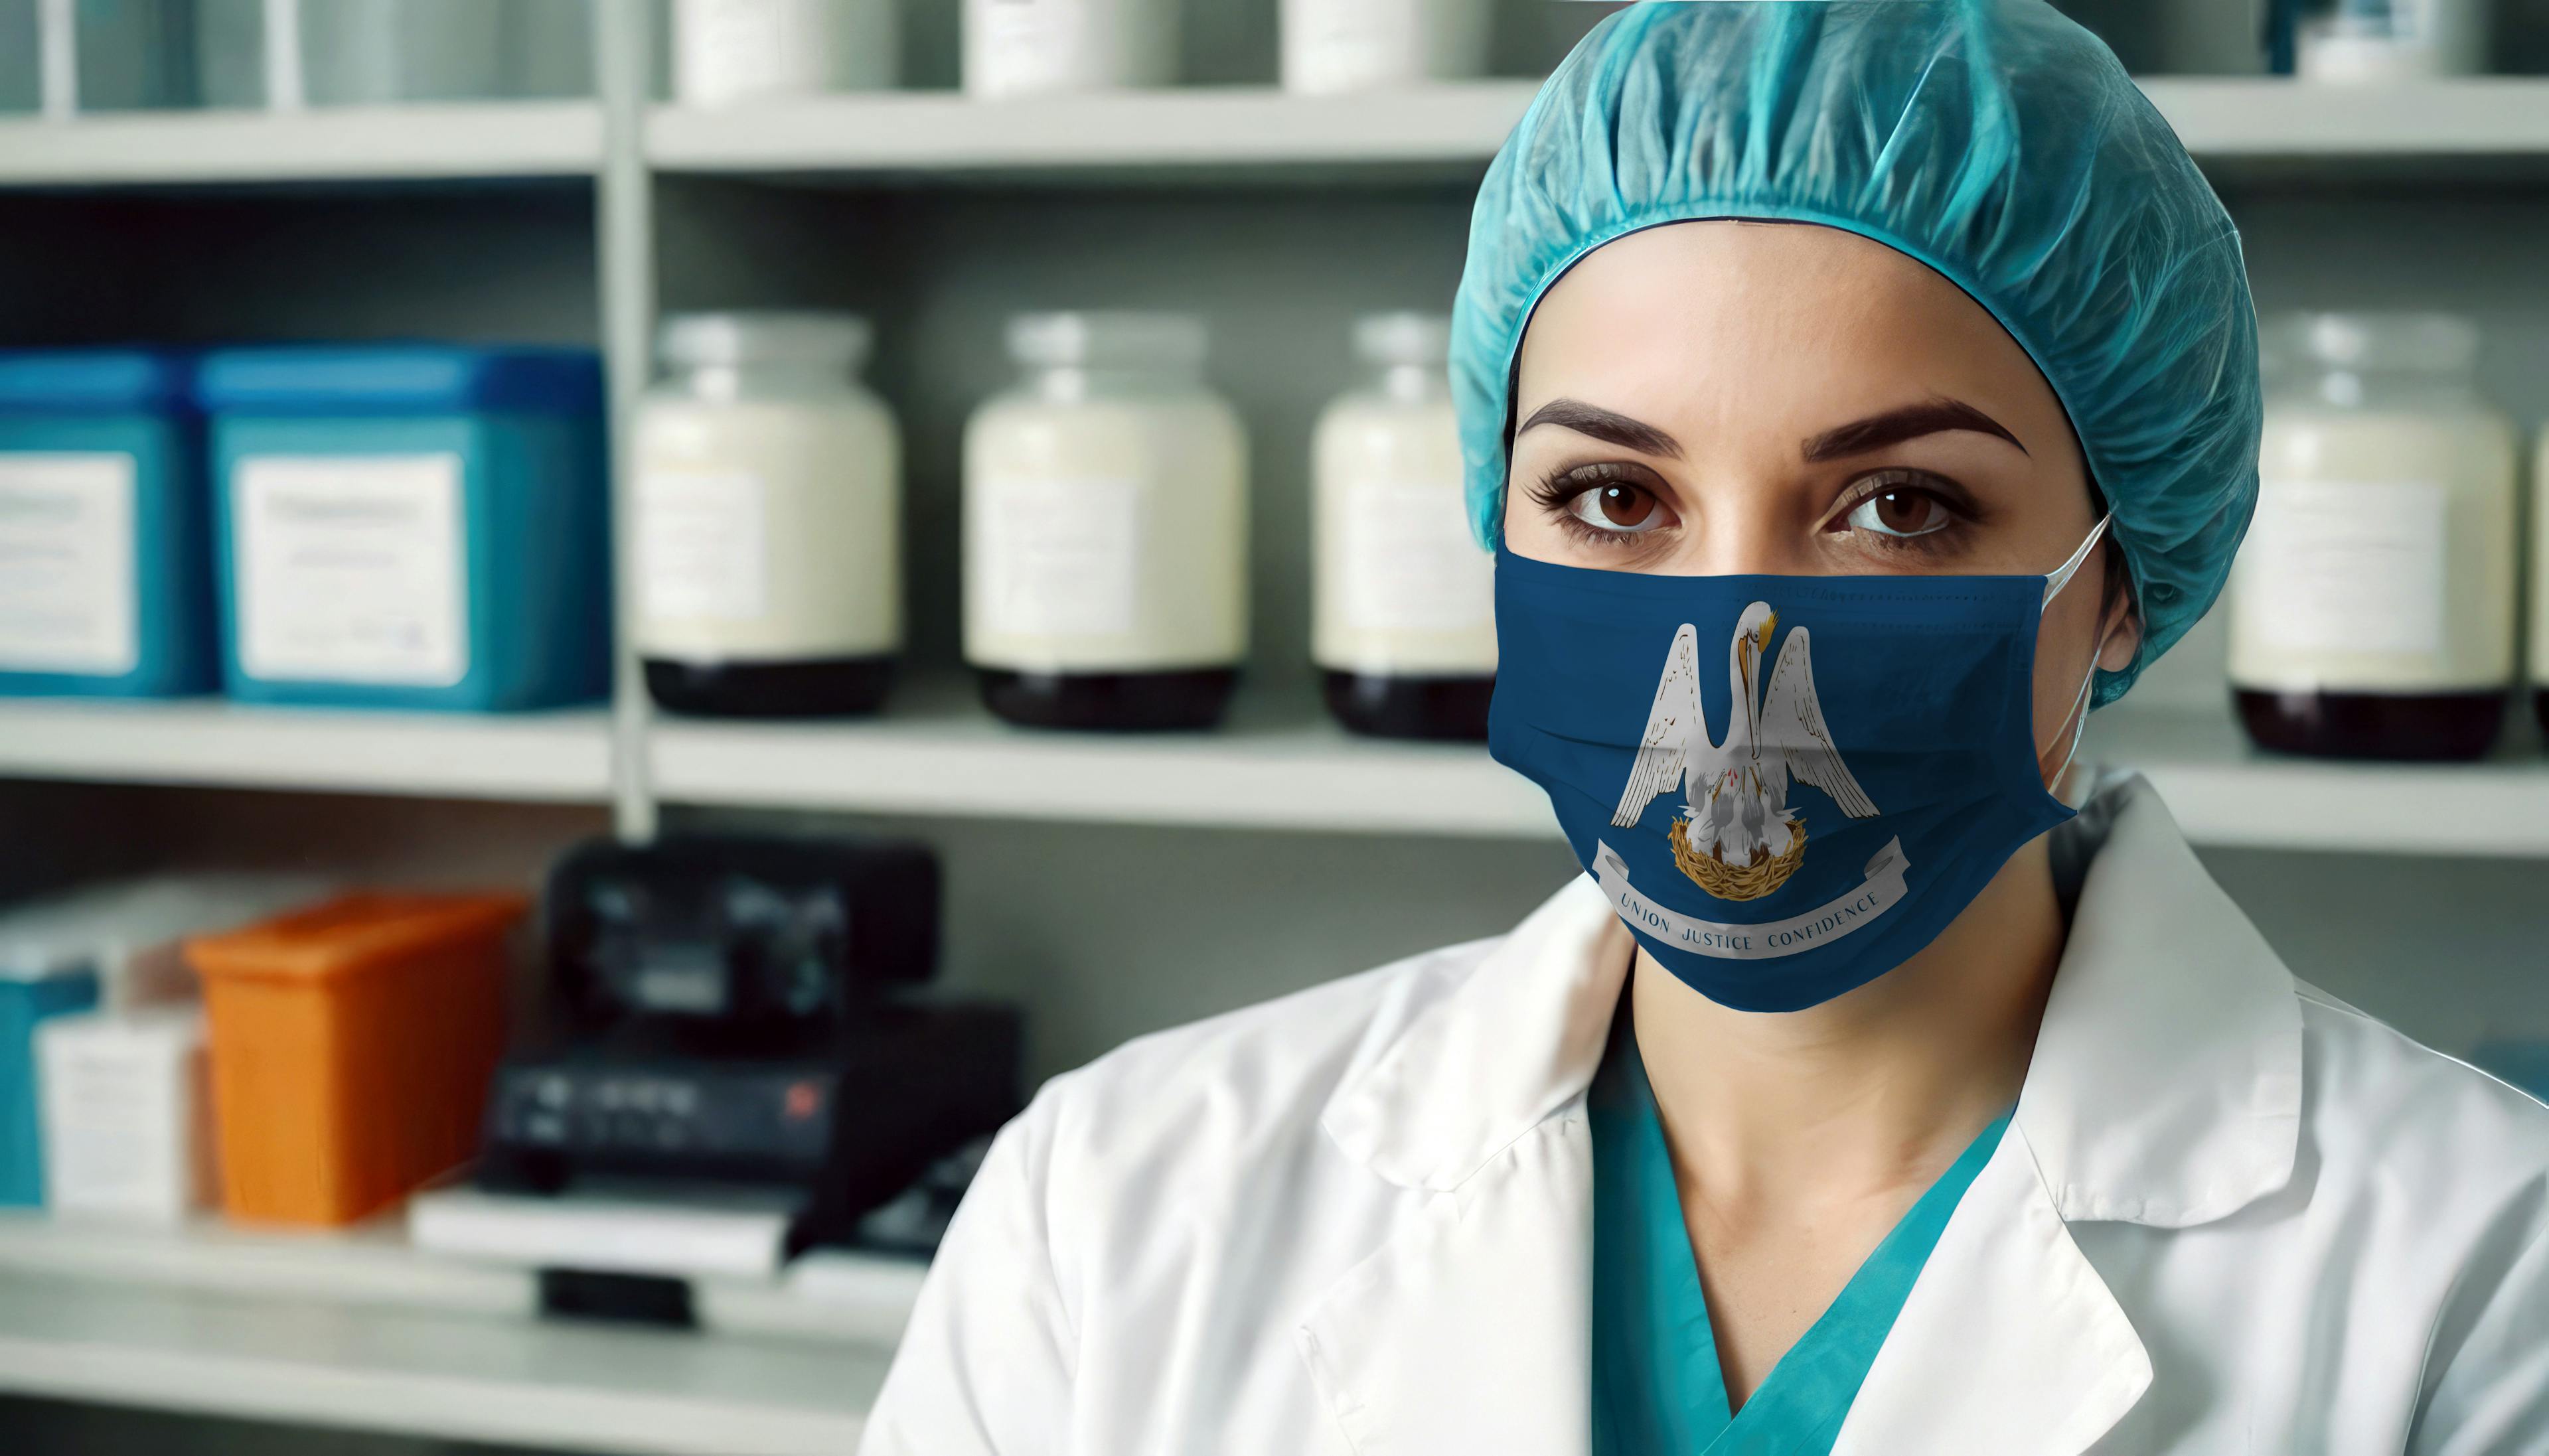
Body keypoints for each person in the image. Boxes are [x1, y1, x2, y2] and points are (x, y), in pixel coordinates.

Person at [860, 5, 2549, 1452]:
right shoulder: (1110, 1211)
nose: (1736, 634)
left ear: (2120, 588)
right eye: (1611, 493)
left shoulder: (2477, 1276)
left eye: (1898, 506)